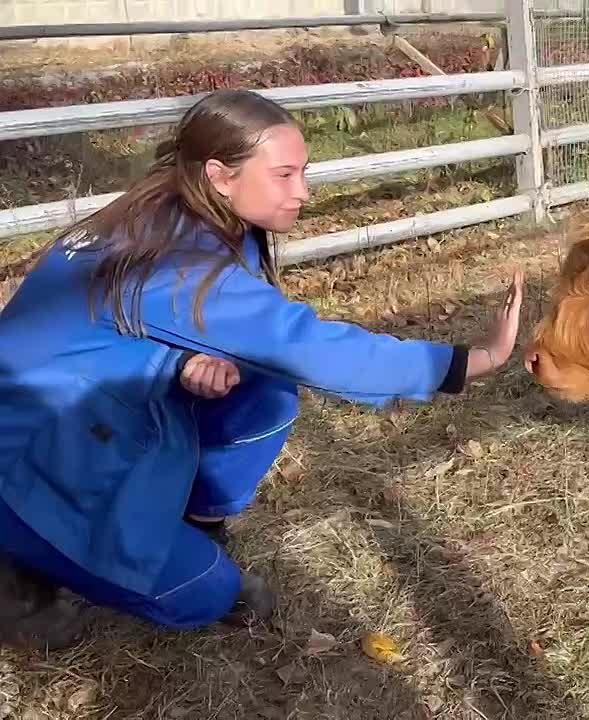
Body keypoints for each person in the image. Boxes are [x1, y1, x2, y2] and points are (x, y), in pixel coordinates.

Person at [0, 89, 525, 650]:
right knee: (212, 594)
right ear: (221, 175)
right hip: (27, 464)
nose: (303, 191)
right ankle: (16, 570)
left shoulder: (174, 214)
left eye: (304, 172)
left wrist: (179, 361)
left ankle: (189, 524)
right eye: (284, 175)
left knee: (265, 391)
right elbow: (314, 348)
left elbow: (102, 339)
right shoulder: (175, 263)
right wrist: (471, 361)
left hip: (83, 421)